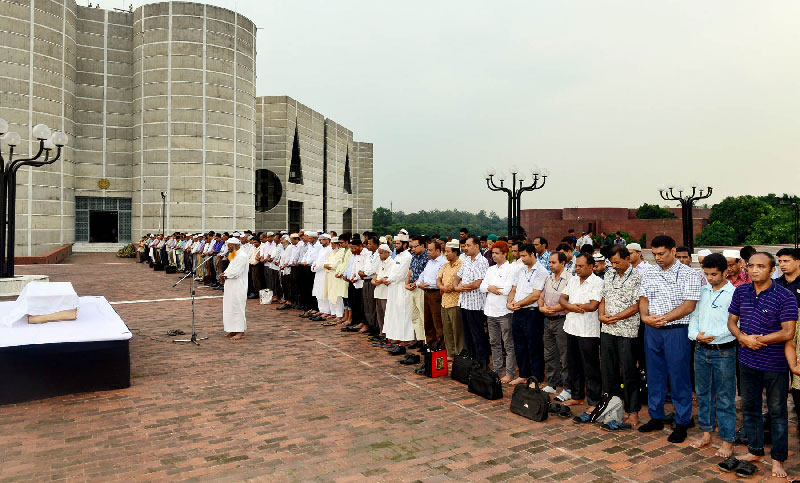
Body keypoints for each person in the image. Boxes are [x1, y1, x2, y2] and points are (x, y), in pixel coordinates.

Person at [726, 252, 797, 479]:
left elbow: (788, 332)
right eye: (751, 266)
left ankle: (778, 460)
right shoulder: (741, 291)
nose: (755, 270)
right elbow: (731, 321)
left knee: (777, 412)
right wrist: (741, 337)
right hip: (747, 361)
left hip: (774, 364)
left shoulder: (785, 296)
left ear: (771, 269)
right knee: (750, 409)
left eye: (761, 266)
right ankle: (755, 450)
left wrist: (756, 339)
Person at [638, 235, 702, 444]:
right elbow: (644, 298)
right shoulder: (649, 272)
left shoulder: (689, 274)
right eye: (654, 254)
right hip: (652, 330)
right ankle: (656, 416)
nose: (657, 258)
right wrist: (645, 317)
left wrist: (664, 319)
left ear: (673, 251)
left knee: (678, 376)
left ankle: (682, 421)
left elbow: (689, 305)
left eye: (661, 253)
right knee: (654, 374)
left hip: (677, 330)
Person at [687, 253, 736, 457]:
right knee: (703, 394)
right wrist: (694, 335)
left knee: (725, 397)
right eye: (706, 274)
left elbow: (736, 324)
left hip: (724, 351)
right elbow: (694, 316)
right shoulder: (703, 291)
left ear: (725, 272)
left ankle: (727, 440)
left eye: (714, 274)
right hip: (701, 350)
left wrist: (715, 336)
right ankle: (707, 433)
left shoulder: (734, 293)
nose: (710, 278)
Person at [598, 245, 642, 429]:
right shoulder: (609, 275)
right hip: (608, 330)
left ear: (627, 258)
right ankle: (610, 408)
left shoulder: (638, 277)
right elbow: (604, 298)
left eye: (617, 262)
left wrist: (616, 317)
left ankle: (633, 411)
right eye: (611, 262)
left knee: (629, 372)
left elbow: (637, 305)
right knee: (608, 371)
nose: (614, 265)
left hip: (627, 331)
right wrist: (601, 315)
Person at [559, 253, 603, 420]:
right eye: (576, 266)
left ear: (591, 267)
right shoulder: (573, 280)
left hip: (588, 331)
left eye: (581, 266)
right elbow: (562, 298)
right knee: (573, 364)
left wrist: (575, 307)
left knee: (590, 366)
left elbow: (593, 305)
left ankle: (594, 400)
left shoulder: (597, 282)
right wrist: (570, 306)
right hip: (571, 327)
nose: (577, 268)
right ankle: (577, 396)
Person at [507, 243, 549, 386]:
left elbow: (535, 295)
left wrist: (518, 304)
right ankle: (524, 374)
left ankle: (536, 377)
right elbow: (513, 289)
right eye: (521, 255)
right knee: (519, 344)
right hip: (518, 311)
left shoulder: (541, 272)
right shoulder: (520, 270)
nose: (522, 258)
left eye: (525, 255)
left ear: (532, 254)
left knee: (534, 345)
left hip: (532, 313)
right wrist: (510, 302)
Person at [479, 240, 517, 383]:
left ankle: (509, 372)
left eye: (496, 253)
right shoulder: (491, 269)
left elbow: (506, 289)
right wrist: (491, 288)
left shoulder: (511, 269)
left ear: (505, 254)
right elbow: (482, 287)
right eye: (492, 253)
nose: (493, 256)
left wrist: (491, 288)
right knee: (494, 342)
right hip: (490, 311)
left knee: (508, 343)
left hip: (504, 311)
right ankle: (497, 369)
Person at [539, 251, 571, 397]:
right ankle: (552, 383)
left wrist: (554, 308)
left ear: (563, 263)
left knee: (565, 355)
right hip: (548, 320)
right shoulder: (548, 278)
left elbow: (570, 301)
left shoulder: (570, 279)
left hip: (562, 320)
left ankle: (567, 388)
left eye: (553, 262)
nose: (550, 265)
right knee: (550, 353)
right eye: (549, 262)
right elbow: (541, 295)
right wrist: (541, 307)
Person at [454, 235, 490, 364]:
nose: (465, 249)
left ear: (476, 246)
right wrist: (456, 287)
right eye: (465, 246)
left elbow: (478, 283)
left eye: (468, 246)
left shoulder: (482, 261)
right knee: (467, 334)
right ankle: (472, 359)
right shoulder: (467, 260)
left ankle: (482, 361)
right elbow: (457, 277)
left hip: (476, 304)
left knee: (478, 334)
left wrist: (463, 287)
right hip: (464, 302)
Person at [778, 248, 800, 435]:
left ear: (798, 262)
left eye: (786, 260)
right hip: (778, 339)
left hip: (797, 339)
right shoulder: (776, 285)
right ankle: (775, 418)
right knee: (777, 383)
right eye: (780, 261)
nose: (782, 264)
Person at [384, 232, 415, 355]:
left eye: (398, 243)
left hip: (401, 289)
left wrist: (389, 280)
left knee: (403, 314)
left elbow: (402, 274)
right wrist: (387, 278)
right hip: (393, 288)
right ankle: (397, 338)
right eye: (395, 243)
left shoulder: (407, 257)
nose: (396, 245)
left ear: (405, 244)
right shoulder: (397, 256)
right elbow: (392, 271)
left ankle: (405, 340)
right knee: (395, 313)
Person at [416, 239, 447, 352]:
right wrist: (419, 284)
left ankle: (441, 347)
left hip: (435, 294)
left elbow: (439, 280)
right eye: (428, 250)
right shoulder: (430, 262)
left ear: (438, 250)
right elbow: (422, 275)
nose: (428, 252)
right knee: (427, 321)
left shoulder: (442, 263)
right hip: (426, 293)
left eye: (430, 250)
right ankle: (431, 345)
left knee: (438, 322)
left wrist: (425, 284)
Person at [437, 239, 465, 358]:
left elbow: (463, 282)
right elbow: (438, 279)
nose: (446, 254)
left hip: (455, 301)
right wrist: (442, 287)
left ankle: (459, 353)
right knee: (447, 329)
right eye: (445, 251)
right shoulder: (445, 265)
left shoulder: (462, 265)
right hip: (444, 301)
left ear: (455, 252)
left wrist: (452, 288)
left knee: (457, 329)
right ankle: (451, 352)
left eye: (448, 252)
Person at [220, 237, 249, 340]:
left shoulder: (242, 256)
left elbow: (237, 272)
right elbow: (230, 268)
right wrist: (224, 273)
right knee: (230, 307)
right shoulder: (234, 255)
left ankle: (240, 331)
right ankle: (232, 329)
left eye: (230, 246)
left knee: (238, 307)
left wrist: (226, 275)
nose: (229, 248)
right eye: (228, 246)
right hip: (230, 284)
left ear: (236, 245)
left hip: (238, 285)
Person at [407, 236, 429, 348]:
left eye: (415, 246)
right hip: (412, 288)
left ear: (422, 246)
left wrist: (414, 283)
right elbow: (410, 271)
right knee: (415, 316)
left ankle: (427, 341)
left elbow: (424, 274)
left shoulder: (427, 257)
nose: (413, 249)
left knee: (423, 315)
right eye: (412, 247)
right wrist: (407, 283)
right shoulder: (414, 256)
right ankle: (420, 340)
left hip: (421, 289)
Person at [371, 244, 393, 336]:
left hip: (386, 293)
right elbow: (375, 277)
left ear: (387, 253)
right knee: (380, 315)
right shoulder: (381, 263)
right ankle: (382, 333)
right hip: (378, 292)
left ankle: (388, 334)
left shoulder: (391, 263)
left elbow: (386, 279)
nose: (379, 255)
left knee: (386, 314)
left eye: (380, 253)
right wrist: (375, 281)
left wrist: (377, 281)